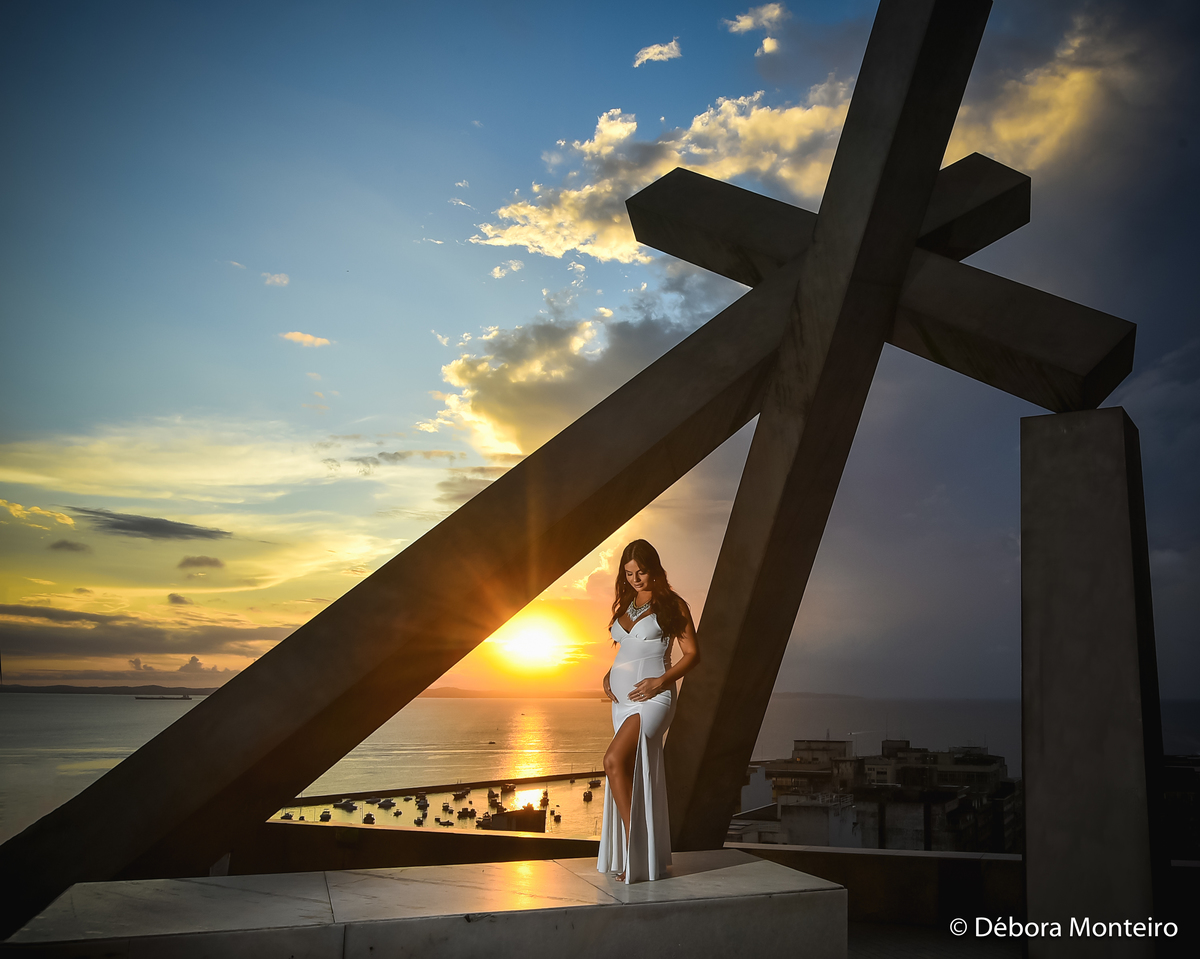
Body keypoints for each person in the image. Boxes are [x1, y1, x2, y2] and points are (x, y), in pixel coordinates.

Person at [597, 539, 699, 883]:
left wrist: (660, 681)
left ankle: (634, 851)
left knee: (612, 761)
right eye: (628, 573)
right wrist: (610, 674)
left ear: (654, 569)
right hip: (622, 702)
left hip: (653, 699)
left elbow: (692, 654)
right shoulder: (627, 602)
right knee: (626, 770)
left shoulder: (672, 604)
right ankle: (645, 855)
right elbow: (627, 648)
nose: (635, 579)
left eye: (641, 571)